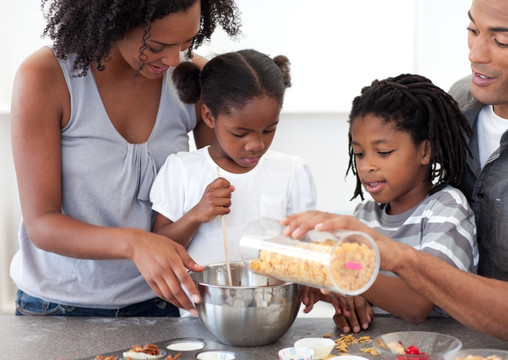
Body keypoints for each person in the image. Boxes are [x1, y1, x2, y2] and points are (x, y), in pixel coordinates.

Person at [280, 0, 508, 341]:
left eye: (501, 40)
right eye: (472, 30)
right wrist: (342, 289)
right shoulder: (461, 101)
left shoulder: (445, 208)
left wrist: (355, 272)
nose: (475, 54)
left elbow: (418, 303)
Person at [9, 0, 240, 317]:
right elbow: (42, 225)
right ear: (112, 21)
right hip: (58, 306)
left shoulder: (194, 79)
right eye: (157, 45)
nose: (174, 60)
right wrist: (135, 243)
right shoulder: (45, 77)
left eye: (187, 43)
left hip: (165, 302)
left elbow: (227, 191)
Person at [298, 74, 478, 333]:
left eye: (383, 152)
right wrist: (346, 301)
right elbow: (352, 277)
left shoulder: (446, 209)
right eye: (359, 153)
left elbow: (417, 305)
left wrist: (340, 271)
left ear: (425, 151)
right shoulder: (365, 217)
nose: (367, 165)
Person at [149, 49, 317, 268]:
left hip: (275, 300)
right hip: (203, 300)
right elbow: (159, 244)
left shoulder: (291, 172)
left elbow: (307, 247)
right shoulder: (182, 169)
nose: (257, 145)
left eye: (269, 130)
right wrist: (196, 215)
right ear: (209, 116)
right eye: (240, 133)